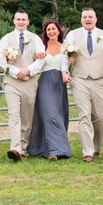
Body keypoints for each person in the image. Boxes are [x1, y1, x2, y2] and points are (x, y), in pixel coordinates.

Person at [63, 8, 103, 163]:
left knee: (99, 116)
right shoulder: (72, 35)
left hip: (100, 79)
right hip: (79, 79)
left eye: (90, 17)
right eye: (85, 17)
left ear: (96, 19)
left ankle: (96, 147)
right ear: (81, 19)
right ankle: (87, 151)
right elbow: (65, 55)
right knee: (84, 115)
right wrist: (64, 71)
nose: (87, 19)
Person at [0, 9, 45, 161]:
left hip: (30, 82)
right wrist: (16, 71)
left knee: (26, 116)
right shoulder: (6, 39)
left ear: (28, 22)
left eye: (24, 19)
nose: (21, 22)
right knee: (13, 114)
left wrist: (28, 70)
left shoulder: (35, 38)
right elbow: (1, 60)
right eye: (18, 19)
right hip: (12, 82)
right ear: (14, 21)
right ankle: (15, 148)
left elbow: (41, 58)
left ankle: (23, 148)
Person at [27, 20, 72, 160]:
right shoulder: (41, 47)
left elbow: (66, 67)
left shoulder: (66, 48)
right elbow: (35, 65)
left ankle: (50, 147)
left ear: (59, 31)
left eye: (53, 29)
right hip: (45, 83)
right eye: (48, 30)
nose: (51, 31)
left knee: (59, 115)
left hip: (59, 84)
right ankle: (55, 150)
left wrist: (71, 64)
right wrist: (35, 58)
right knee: (50, 114)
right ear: (45, 33)